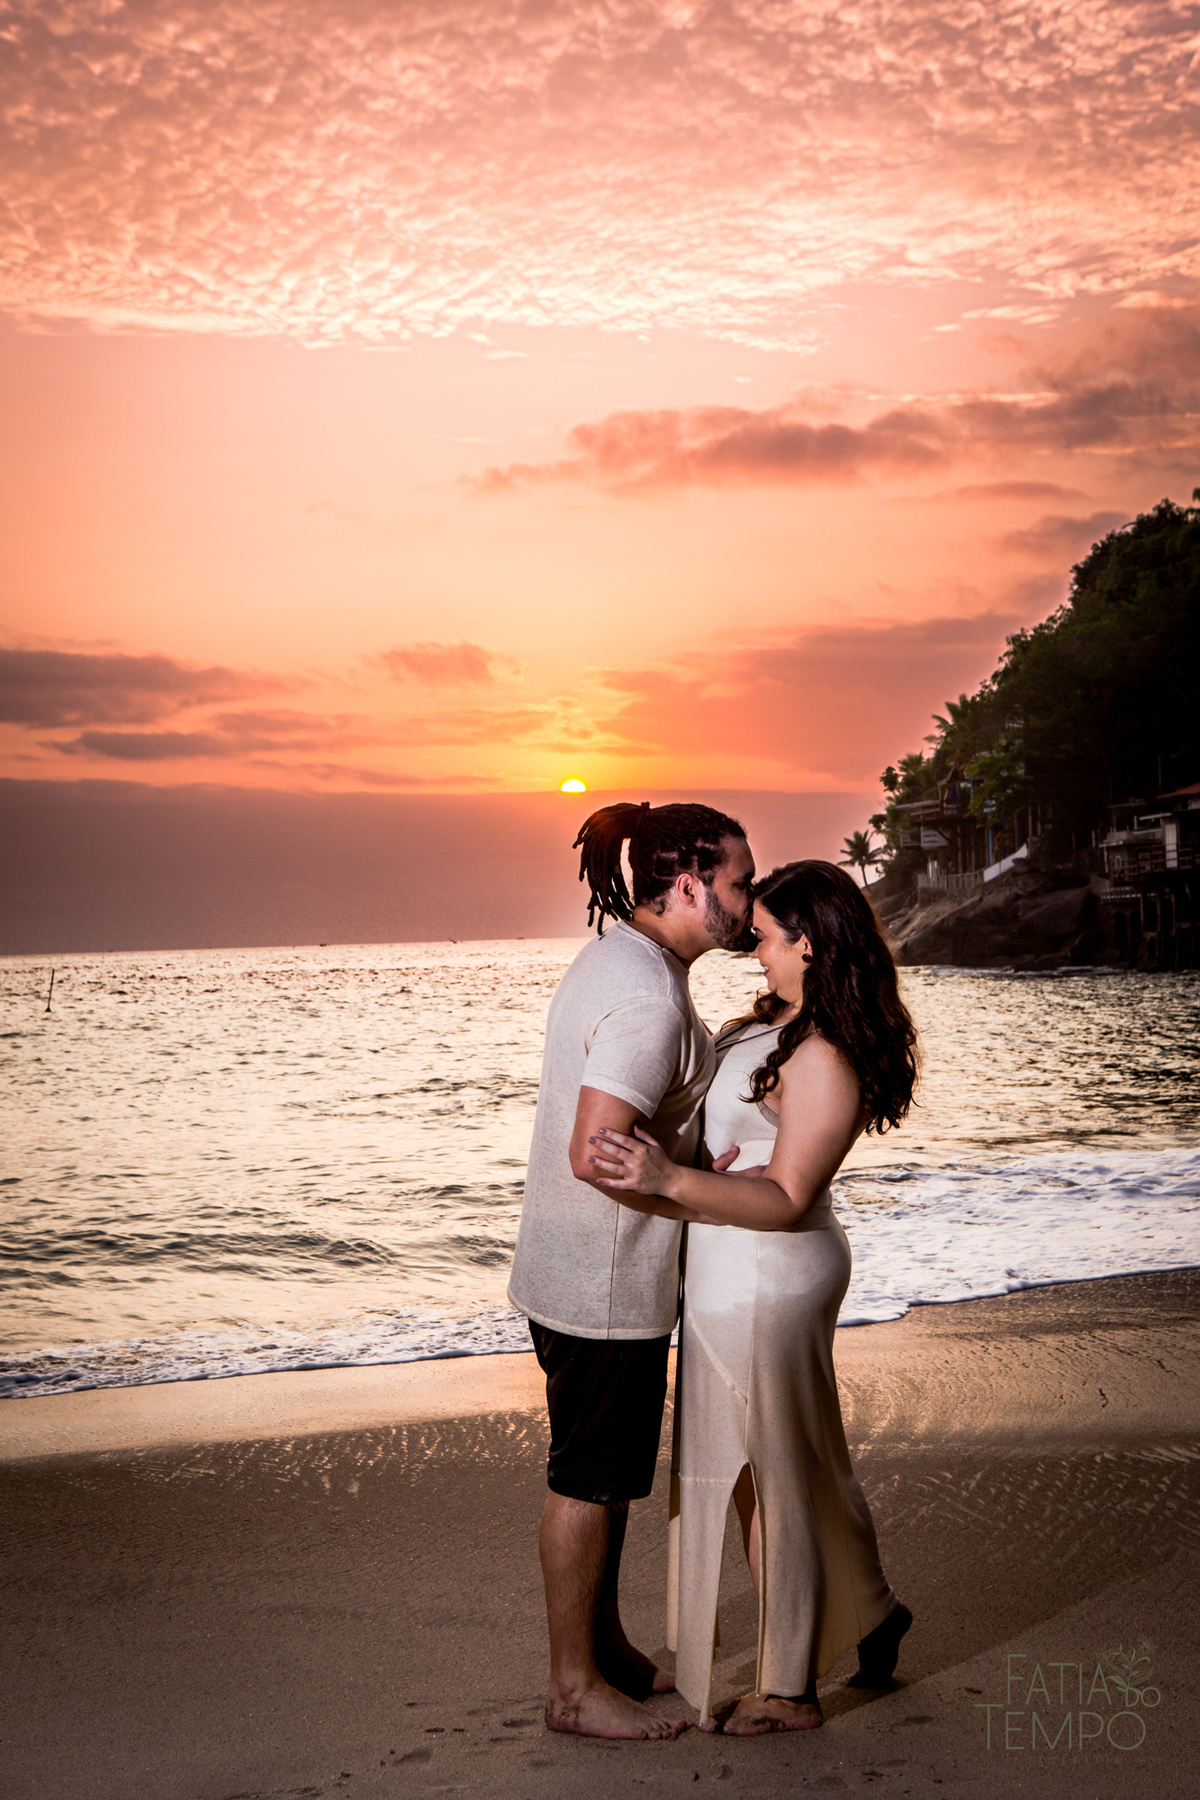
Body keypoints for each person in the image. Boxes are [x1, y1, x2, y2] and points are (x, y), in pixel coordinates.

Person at [588, 860, 918, 1734]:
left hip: (776, 1273)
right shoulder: (769, 1024)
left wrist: (670, 1179)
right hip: (726, 1270)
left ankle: (790, 1688)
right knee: (779, 1465)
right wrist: (674, 1163)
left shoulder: (829, 1054)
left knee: (771, 1474)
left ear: (809, 942)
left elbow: (785, 1195)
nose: (756, 951)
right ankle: (875, 1611)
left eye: (769, 938)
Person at [507, 800, 756, 1740]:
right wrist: (691, 1185)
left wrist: (683, 1155)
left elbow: (622, 1130)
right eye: (739, 878)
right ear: (688, 885)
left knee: (603, 1479)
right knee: (588, 1479)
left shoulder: (621, 955)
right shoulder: (651, 998)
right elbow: (596, 1149)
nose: (749, 894)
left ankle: (602, 1648)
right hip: (604, 1284)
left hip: (563, 1265)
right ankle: (573, 1690)